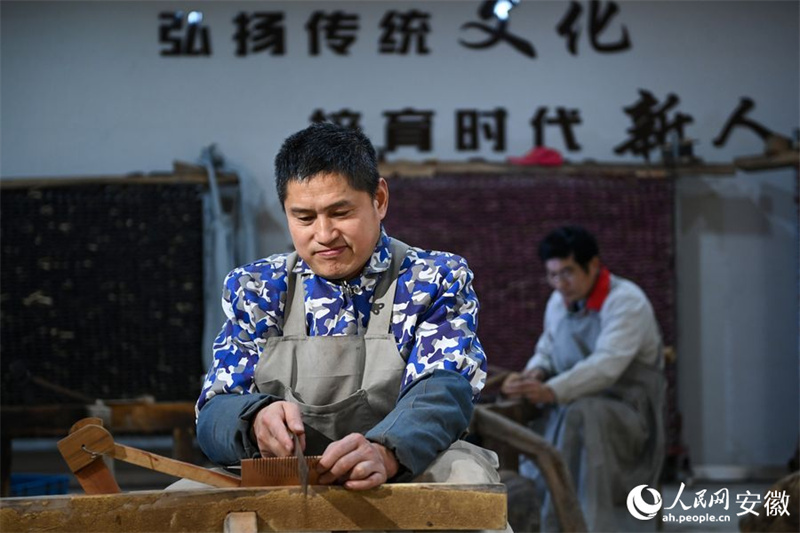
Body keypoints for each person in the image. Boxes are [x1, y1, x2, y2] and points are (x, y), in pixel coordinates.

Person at [194, 122, 505, 509]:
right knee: (179, 505)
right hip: (287, 477)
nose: (323, 234)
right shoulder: (257, 287)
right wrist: (253, 420)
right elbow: (213, 412)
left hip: (408, 465)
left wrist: (386, 449)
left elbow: (442, 390)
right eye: (304, 218)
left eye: (340, 212)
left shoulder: (433, 279)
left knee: (467, 483)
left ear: (378, 198)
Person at [501, 226, 665, 532]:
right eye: (552, 275)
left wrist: (550, 390)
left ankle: (587, 526)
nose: (560, 284)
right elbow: (547, 350)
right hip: (569, 408)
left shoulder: (627, 302)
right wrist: (534, 372)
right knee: (566, 416)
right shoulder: (557, 302)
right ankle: (552, 521)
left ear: (593, 265)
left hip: (627, 418)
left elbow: (606, 365)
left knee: (583, 414)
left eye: (567, 273)